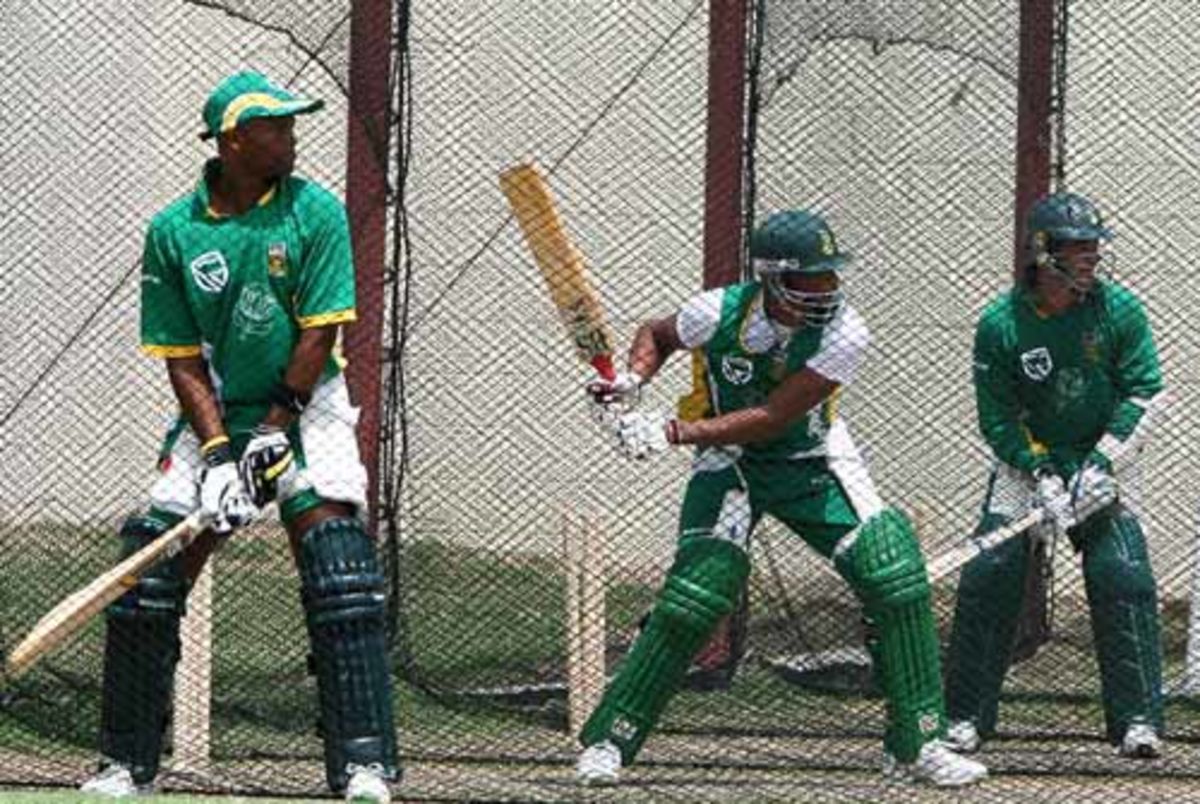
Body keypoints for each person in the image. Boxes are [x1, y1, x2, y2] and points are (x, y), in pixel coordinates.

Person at [575, 209, 988, 787]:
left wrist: (670, 431)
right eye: (809, 281)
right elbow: (658, 334)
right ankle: (609, 743)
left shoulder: (846, 332)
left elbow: (773, 417)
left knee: (896, 575)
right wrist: (631, 381)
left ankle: (917, 746)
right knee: (695, 597)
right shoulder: (715, 310)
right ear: (771, 280)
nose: (826, 291)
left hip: (812, 460)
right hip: (732, 467)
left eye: (829, 277)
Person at [79, 71, 398, 802]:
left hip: (306, 400)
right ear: (233, 141)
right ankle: (125, 764)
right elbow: (182, 357)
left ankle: (363, 766)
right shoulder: (173, 231)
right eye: (276, 127)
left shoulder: (314, 212)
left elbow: (322, 334)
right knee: (147, 575)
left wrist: (274, 435)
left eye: (290, 126)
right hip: (218, 409)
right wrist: (222, 453)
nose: (291, 136)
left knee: (338, 566)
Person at [942, 191, 1166, 758]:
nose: (1092, 258)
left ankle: (1138, 720)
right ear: (1044, 253)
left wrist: (1103, 464)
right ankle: (965, 717)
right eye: (1079, 249)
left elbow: (1144, 393)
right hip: (1029, 465)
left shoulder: (1120, 311)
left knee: (1123, 570)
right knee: (991, 571)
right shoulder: (1001, 324)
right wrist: (1038, 469)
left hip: (1099, 459)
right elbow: (998, 416)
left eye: (1095, 248)